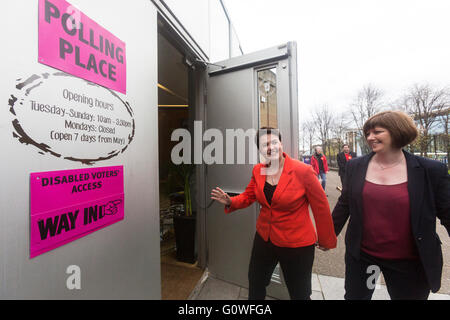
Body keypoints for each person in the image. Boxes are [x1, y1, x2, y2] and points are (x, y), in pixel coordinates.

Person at [332, 110, 450, 300]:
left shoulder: (431, 170)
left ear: (397, 132)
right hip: (365, 259)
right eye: (368, 133)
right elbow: (345, 203)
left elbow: (447, 212)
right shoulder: (356, 166)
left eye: (377, 132)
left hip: (409, 263)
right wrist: (328, 234)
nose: (370, 137)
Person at [211, 127, 337, 300]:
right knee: (255, 282)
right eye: (264, 145)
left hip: (296, 244)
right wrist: (230, 201)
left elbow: (321, 207)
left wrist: (326, 239)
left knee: (299, 293)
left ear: (281, 143)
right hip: (264, 238)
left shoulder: (303, 171)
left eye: (274, 142)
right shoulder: (258, 170)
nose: (270, 147)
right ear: (260, 150)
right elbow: (248, 196)